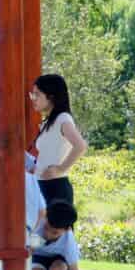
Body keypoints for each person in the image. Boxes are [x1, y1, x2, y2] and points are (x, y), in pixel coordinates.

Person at [29, 74, 87, 207]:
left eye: (37, 95)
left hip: (55, 187)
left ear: (51, 96)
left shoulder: (63, 119)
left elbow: (81, 146)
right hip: (42, 186)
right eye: (32, 95)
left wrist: (61, 169)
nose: (33, 99)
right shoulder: (49, 122)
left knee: (58, 228)